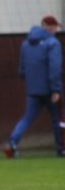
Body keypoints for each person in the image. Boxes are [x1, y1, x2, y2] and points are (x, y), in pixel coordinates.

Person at [5, 15, 63, 159]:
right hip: (49, 90)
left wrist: (32, 83)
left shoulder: (26, 44)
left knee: (27, 118)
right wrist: (56, 89)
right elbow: (54, 67)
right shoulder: (53, 43)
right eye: (55, 27)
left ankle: (12, 143)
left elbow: (22, 69)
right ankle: (61, 148)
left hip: (33, 89)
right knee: (57, 119)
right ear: (50, 27)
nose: (56, 30)